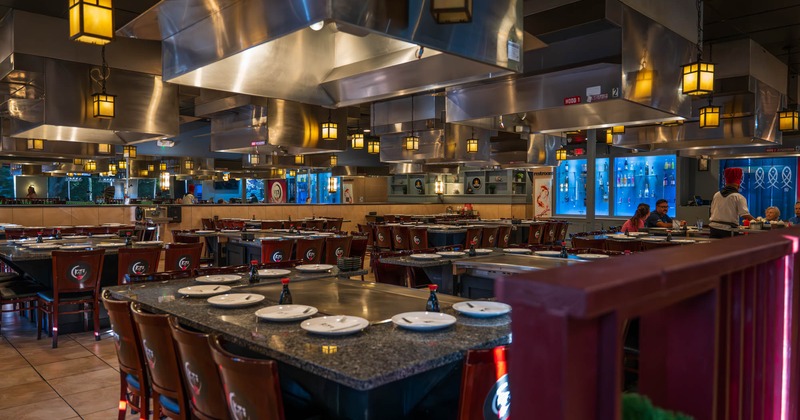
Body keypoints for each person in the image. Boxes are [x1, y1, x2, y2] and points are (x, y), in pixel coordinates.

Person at [709, 167, 754, 238]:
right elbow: (744, 215)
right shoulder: (738, 197)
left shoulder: (717, 194)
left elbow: (712, 211)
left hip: (714, 228)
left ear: (726, 184)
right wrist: (757, 221)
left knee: (714, 249)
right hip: (728, 230)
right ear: (738, 185)